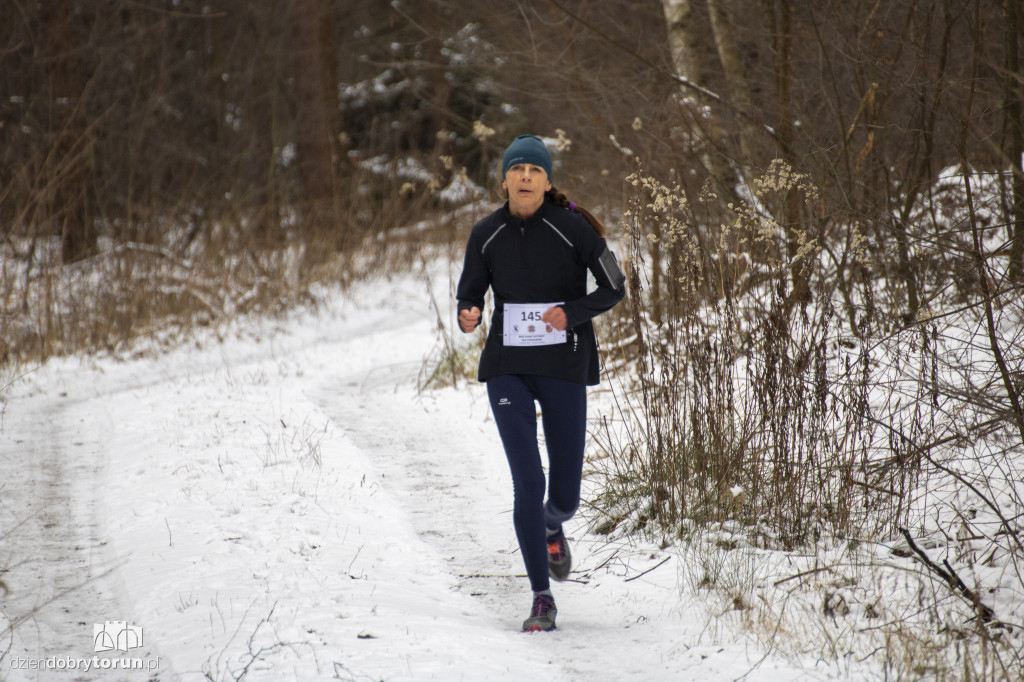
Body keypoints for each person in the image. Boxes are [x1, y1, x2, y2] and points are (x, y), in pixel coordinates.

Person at [456, 134, 626, 632]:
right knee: (528, 481)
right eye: (517, 169)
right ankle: (541, 596)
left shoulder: (573, 229)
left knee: (565, 497)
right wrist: (469, 314)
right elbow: (471, 292)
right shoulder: (485, 233)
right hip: (507, 365)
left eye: (535, 169)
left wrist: (569, 314)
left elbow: (614, 286)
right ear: (504, 179)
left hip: (563, 365)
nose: (526, 176)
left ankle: (553, 525)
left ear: (547, 180)